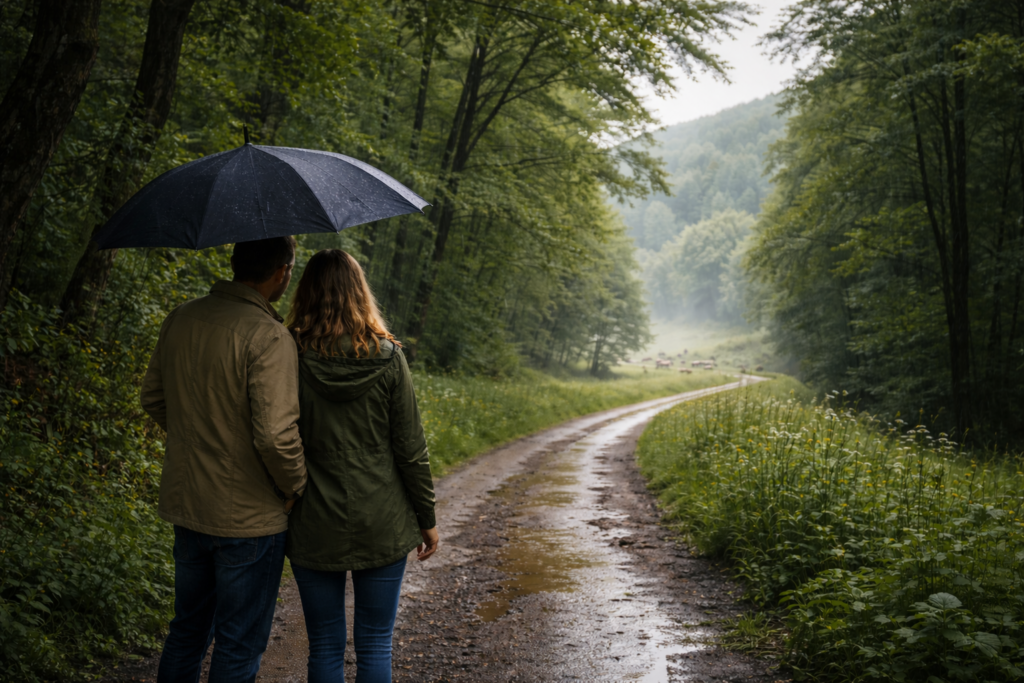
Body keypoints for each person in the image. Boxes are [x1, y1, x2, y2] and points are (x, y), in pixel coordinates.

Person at [141, 236, 307, 683]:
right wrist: (295, 487)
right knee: (237, 644)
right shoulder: (269, 335)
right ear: (281, 272)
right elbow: (275, 435)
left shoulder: (182, 317)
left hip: (188, 502)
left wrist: (197, 441)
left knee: (187, 631)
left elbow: (153, 396)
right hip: (248, 519)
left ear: (235, 263)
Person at [284, 249, 439, 683]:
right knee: (375, 642)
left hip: (313, 517)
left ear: (306, 293)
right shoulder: (389, 358)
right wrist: (426, 519)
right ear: (360, 293)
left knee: (326, 646)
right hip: (383, 519)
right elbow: (411, 449)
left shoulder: (288, 355)